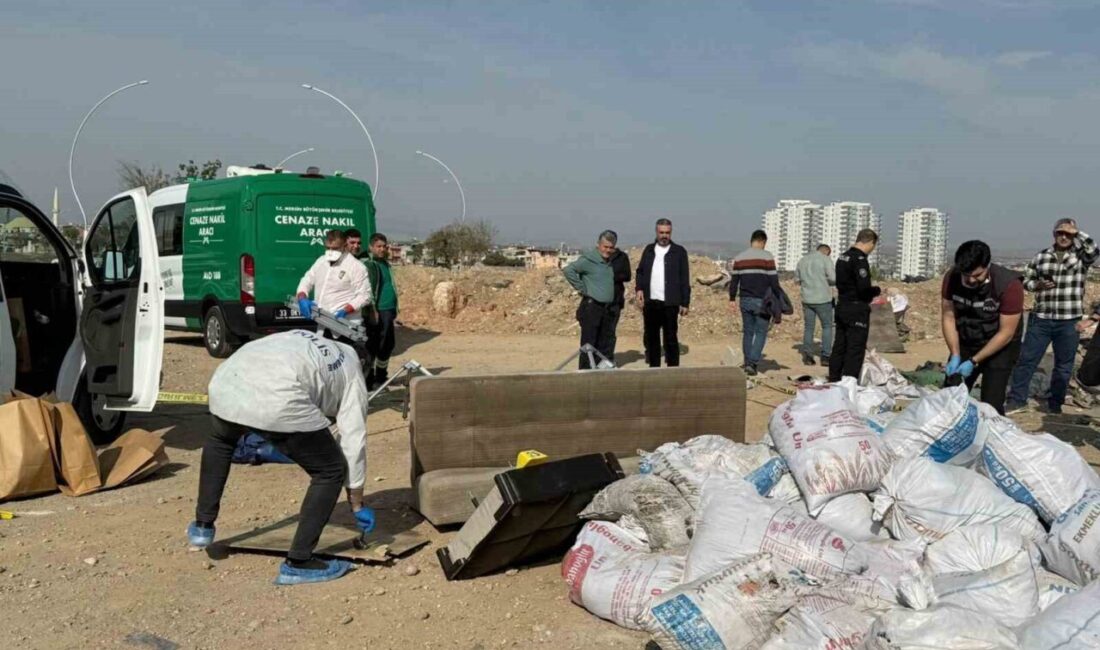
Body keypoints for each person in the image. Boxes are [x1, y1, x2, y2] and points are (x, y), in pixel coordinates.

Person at [186, 330, 371, 585]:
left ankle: (202, 527)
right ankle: (299, 562)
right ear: (364, 363)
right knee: (329, 470)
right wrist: (356, 500)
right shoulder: (353, 370)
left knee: (221, 440)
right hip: (279, 395)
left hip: (227, 378)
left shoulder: (308, 338)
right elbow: (354, 438)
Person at [1006, 218, 1100, 414]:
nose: (1064, 237)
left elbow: (1093, 249)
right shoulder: (1042, 257)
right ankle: (1017, 400)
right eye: (1060, 233)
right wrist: (1037, 285)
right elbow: (1026, 280)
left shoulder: (1080, 257)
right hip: (1041, 318)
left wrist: (1078, 232)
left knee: (1064, 365)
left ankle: (1055, 403)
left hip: (1069, 320)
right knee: (1027, 360)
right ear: (1054, 234)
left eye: (1068, 234)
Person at [940, 241, 1025, 415]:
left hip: (1000, 346)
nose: (971, 280)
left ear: (987, 265)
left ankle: (992, 437)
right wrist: (955, 354)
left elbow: (1006, 333)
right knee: (950, 395)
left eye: (977, 275)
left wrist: (974, 361)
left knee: (990, 404)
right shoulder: (952, 278)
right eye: (966, 275)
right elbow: (948, 317)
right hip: (967, 337)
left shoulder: (1008, 285)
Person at [635, 219, 691, 368]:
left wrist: (685, 302)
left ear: (671, 232)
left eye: (667, 232)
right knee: (651, 338)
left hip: (670, 303)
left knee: (670, 338)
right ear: (656, 232)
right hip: (651, 302)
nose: (664, 235)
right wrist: (639, 289)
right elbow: (640, 272)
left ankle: (673, 371)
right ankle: (654, 370)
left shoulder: (679, 252)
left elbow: (684, 277)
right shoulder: (648, 250)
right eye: (661, 232)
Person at [828, 229, 881, 382]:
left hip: (842, 305)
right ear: (870, 242)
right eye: (873, 246)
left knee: (840, 345)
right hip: (856, 308)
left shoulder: (842, 257)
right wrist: (875, 290)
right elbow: (863, 289)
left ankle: (834, 378)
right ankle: (849, 382)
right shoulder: (859, 260)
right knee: (855, 348)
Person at [728, 230, 782, 376]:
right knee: (760, 332)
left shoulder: (739, 258)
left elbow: (734, 282)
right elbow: (774, 281)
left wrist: (732, 299)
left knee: (748, 332)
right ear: (763, 242)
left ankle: (747, 362)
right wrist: (779, 298)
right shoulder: (767, 257)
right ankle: (752, 363)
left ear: (751, 241)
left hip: (744, 300)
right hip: (762, 301)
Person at [563, 231, 617, 369]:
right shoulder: (589, 260)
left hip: (606, 309)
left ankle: (600, 376)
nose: (608, 250)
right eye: (605, 247)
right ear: (598, 245)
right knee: (589, 345)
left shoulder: (608, 261)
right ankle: (585, 374)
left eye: (611, 247)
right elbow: (569, 270)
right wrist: (582, 288)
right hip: (592, 308)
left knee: (605, 343)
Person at [296, 229, 372, 327]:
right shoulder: (321, 261)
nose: (331, 252)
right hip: (323, 322)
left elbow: (365, 295)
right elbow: (307, 279)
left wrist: (347, 309)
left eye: (335, 248)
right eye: (328, 248)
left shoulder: (356, 267)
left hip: (346, 325)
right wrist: (302, 297)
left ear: (344, 246)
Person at [362, 233, 399, 389]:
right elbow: (368, 289)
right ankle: (370, 380)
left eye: (384, 246)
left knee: (388, 344)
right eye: (379, 246)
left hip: (389, 309)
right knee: (373, 345)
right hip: (378, 310)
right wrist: (372, 309)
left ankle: (381, 376)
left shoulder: (385, 264)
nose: (382, 249)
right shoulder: (370, 265)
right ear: (371, 247)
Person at [795, 244, 835, 367]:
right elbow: (833, 278)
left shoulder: (803, 260)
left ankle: (808, 356)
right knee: (827, 326)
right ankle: (826, 356)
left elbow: (797, 280)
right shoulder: (825, 259)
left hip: (807, 299)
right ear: (827, 252)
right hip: (823, 299)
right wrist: (824, 281)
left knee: (809, 327)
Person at [606, 232, 631, 362]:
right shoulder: (597, 256)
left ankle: (607, 360)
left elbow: (627, 275)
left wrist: (610, 275)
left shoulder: (622, 257)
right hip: (597, 302)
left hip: (615, 300)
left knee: (610, 332)